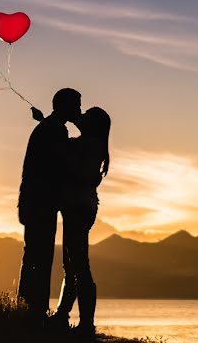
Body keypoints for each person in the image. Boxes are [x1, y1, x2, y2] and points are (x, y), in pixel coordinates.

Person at [17, 88, 82, 324]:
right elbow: (60, 163)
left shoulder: (48, 127)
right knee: (39, 256)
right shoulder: (56, 129)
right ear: (65, 106)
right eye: (77, 105)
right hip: (41, 202)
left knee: (35, 254)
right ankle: (34, 312)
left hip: (35, 200)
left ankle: (28, 309)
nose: (79, 110)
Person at [50, 106, 110, 338]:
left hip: (78, 208)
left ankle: (85, 324)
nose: (80, 117)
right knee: (73, 264)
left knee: (79, 266)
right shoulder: (93, 144)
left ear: (93, 125)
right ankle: (63, 314)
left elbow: (71, 162)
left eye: (86, 117)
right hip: (81, 207)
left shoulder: (87, 144)